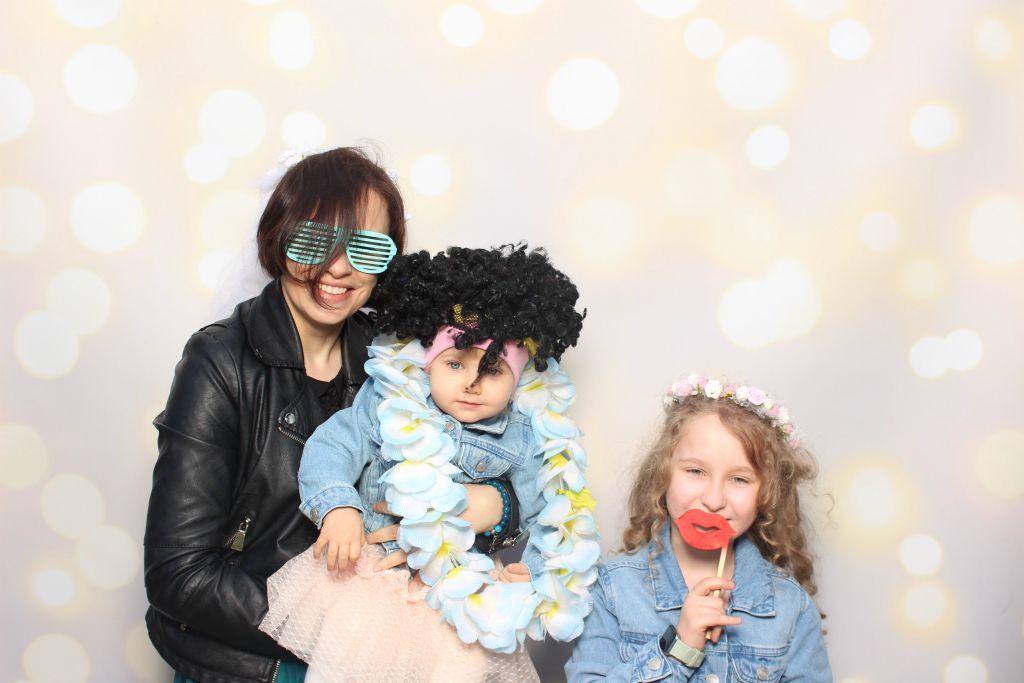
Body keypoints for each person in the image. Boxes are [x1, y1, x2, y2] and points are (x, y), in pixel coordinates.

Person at [144, 148, 516, 683]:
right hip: (258, 662)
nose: (339, 268)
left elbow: (491, 445)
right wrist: (351, 638)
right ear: (277, 238)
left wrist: (498, 504)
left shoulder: (399, 358)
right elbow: (180, 575)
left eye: (366, 248)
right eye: (315, 243)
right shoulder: (220, 361)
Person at [258, 245, 598, 683]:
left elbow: (550, 510)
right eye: (455, 364)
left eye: (493, 371)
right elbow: (332, 447)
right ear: (429, 361)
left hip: (456, 601)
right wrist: (338, 507)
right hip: (371, 581)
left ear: (518, 380)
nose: (472, 384)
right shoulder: (388, 401)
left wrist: (531, 572)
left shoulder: (522, 435)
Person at [565, 374, 832, 682]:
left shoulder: (792, 606)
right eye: (695, 471)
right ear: (663, 474)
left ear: (767, 494)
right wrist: (680, 649)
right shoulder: (612, 590)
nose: (714, 500)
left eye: (739, 479)